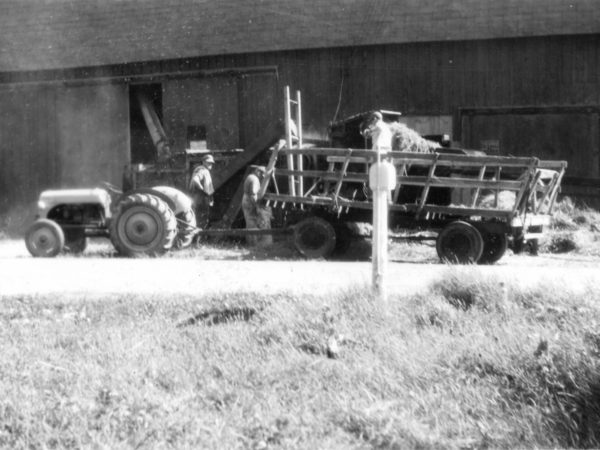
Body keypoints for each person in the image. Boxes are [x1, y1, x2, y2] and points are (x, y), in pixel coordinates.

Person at [242, 166, 272, 246]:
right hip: (250, 202)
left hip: (247, 201)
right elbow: (253, 194)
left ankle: (251, 243)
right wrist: (257, 207)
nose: (262, 176)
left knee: (250, 223)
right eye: (261, 174)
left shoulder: (250, 177)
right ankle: (253, 245)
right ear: (257, 171)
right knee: (252, 223)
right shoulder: (254, 179)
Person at [189, 154, 215, 229]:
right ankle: (198, 238)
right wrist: (202, 189)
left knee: (201, 218)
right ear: (203, 162)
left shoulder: (204, 170)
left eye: (211, 163)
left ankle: (198, 238)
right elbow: (195, 179)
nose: (210, 164)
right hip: (201, 198)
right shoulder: (202, 170)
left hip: (202, 198)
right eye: (208, 162)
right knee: (200, 218)